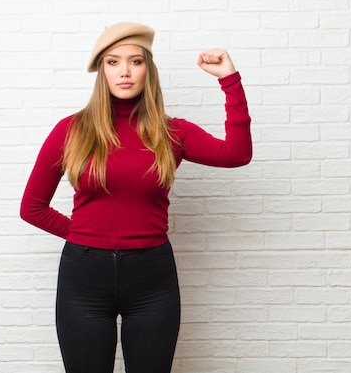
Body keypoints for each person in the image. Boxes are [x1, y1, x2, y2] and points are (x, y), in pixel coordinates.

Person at [20, 22, 252, 373]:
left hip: (152, 279)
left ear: (148, 70)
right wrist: (85, 234)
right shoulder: (72, 130)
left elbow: (237, 154)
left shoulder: (173, 132)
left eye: (135, 61)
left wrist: (229, 80)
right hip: (84, 278)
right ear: (102, 72)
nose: (125, 71)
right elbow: (32, 208)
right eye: (113, 62)